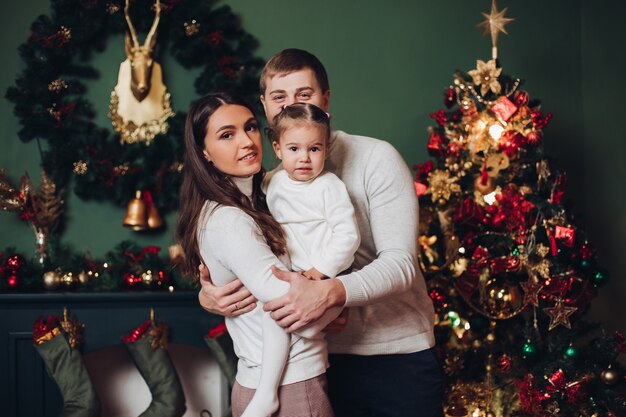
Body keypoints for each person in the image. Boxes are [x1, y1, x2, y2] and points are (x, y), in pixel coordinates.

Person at [199, 49, 444, 417]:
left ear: (325, 100)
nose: (290, 106)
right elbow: (251, 257)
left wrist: (330, 292)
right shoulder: (268, 182)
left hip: (392, 355)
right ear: (265, 106)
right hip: (312, 360)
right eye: (279, 98)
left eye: (304, 94)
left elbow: (401, 265)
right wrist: (209, 295)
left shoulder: (376, 159)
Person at [176, 92, 335, 417]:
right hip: (290, 388)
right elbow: (297, 314)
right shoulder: (229, 219)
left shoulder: (261, 198)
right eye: (227, 135)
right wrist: (336, 299)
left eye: (249, 128)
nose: (246, 141)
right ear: (204, 152)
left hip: (266, 383)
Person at [266, 102, 360, 283]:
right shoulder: (273, 181)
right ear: (278, 150)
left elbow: (347, 235)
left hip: (330, 271)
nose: (304, 158)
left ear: (326, 150)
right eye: (294, 149)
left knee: (322, 309)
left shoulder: (329, 186)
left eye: (314, 149)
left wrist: (321, 269)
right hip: (296, 270)